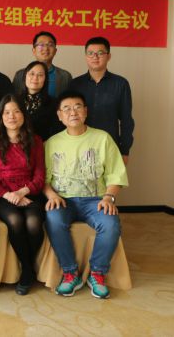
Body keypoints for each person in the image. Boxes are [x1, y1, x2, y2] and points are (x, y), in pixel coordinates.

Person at [44, 90, 128, 299]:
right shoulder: (51, 143)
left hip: (96, 200)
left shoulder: (103, 138)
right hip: (63, 200)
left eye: (77, 107)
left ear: (86, 111)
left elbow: (116, 174)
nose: (73, 112)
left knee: (111, 224)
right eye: (66, 109)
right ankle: (70, 273)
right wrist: (51, 195)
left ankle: (97, 273)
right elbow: (42, 178)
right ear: (59, 116)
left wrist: (109, 197)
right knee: (53, 219)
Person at [0, 94, 45, 296]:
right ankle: (28, 270)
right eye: (7, 112)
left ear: (23, 115)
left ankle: (26, 268)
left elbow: (40, 175)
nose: (12, 116)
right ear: (1, 116)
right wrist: (8, 194)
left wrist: (22, 192)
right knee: (15, 220)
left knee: (34, 223)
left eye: (16, 111)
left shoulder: (35, 141)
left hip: (28, 192)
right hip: (1, 195)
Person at [69, 36, 134, 164]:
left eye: (100, 53)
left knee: (110, 178)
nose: (95, 57)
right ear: (85, 56)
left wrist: (124, 151)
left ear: (108, 56)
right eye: (90, 53)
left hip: (109, 146)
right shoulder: (75, 84)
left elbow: (127, 121)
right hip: (79, 146)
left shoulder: (120, 84)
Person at [13, 31, 72, 97]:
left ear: (55, 51)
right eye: (41, 45)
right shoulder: (20, 75)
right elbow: (15, 99)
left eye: (50, 45)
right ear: (34, 50)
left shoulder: (65, 76)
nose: (46, 48)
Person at [17, 61, 63, 141]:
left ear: (45, 79)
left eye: (40, 75)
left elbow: (57, 132)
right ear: (25, 76)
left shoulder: (54, 104)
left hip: (44, 146)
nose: (35, 78)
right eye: (32, 74)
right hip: (16, 146)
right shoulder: (14, 101)